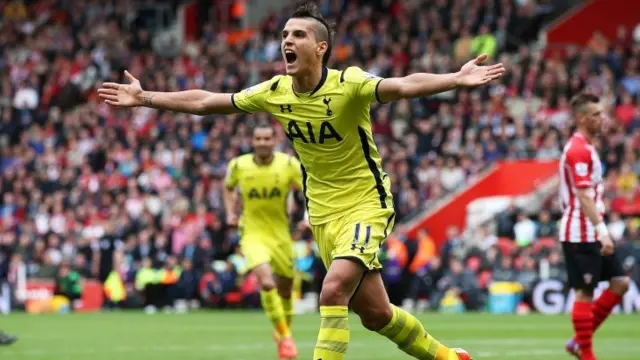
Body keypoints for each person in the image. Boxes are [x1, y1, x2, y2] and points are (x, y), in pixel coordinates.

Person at [98, 3, 505, 359]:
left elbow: (401, 86)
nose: (286, 41)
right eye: (284, 35)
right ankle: (448, 358)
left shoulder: (349, 85)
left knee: (331, 292)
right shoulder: (276, 91)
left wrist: (454, 78)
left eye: (297, 34)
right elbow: (208, 102)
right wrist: (146, 97)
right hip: (323, 216)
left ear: (320, 47)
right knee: (376, 314)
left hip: (366, 204)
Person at [559, 93, 630, 360]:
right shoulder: (577, 149)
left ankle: (578, 343)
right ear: (582, 118)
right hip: (580, 230)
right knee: (585, 292)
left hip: (592, 227)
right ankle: (586, 354)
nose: (603, 119)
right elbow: (583, 196)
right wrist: (602, 230)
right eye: (597, 115)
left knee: (620, 283)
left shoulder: (587, 148)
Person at [223, 124, 303, 359]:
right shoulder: (239, 165)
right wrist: (230, 212)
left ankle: (283, 332)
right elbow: (227, 187)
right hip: (252, 234)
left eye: (267, 138)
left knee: (286, 288)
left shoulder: (288, 164)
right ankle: (286, 339)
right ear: (252, 141)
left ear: (274, 140)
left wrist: (308, 216)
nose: (263, 142)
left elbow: (310, 188)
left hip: (281, 234)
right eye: (258, 138)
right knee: (267, 282)